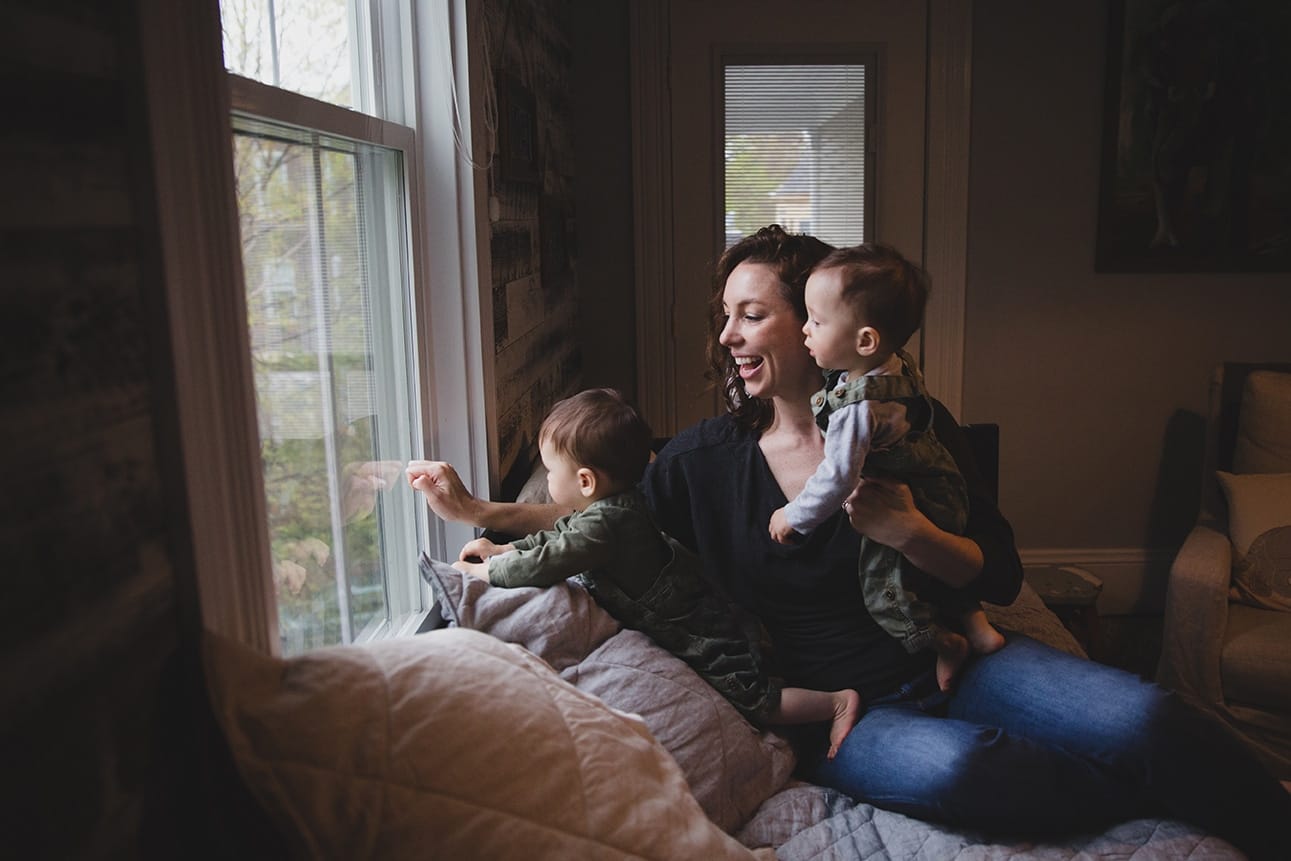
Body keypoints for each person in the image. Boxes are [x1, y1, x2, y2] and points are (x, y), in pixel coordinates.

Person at [407, 226, 1290, 860]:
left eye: (750, 316)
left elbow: (1000, 570)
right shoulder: (701, 463)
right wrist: (479, 512)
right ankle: (1147, 786)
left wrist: (908, 529)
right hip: (851, 707)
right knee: (958, 772)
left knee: (1147, 715)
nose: (727, 338)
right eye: (726, 316)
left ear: (815, 326)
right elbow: (602, 521)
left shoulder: (909, 427)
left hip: (958, 651)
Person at [439, 387, 861, 757]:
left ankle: (835, 702)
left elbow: (550, 559)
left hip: (698, 628)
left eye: (551, 472)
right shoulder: (605, 511)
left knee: (755, 698)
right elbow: (558, 538)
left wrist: (487, 573)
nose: (548, 480)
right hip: (698, 611)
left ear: (585, 480)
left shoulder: (607, 524)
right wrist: (503, 546)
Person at [767, 244, 1003, 691]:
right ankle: (974, 621)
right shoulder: (895, 368)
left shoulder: (856, 409)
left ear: (865, 341)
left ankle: (941, 642)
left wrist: (793, 515)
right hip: (940, 486)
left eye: (816, 321)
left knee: (887, 589)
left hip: (900, 502)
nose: (805, 331)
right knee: (933, 566)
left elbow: (838, 478)